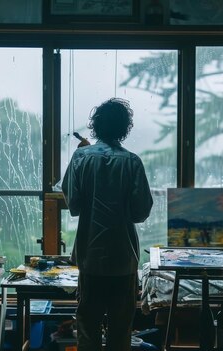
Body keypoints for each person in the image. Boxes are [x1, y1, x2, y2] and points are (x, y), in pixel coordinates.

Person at [62, 98, 153, 351]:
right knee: (121, 329)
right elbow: (140, 213)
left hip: (91, 258)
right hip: (123, 259)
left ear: (96, 125)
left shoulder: (81, 157)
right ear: (125, 128)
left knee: (88, 328)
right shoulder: (132, 162)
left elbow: (75, 206)